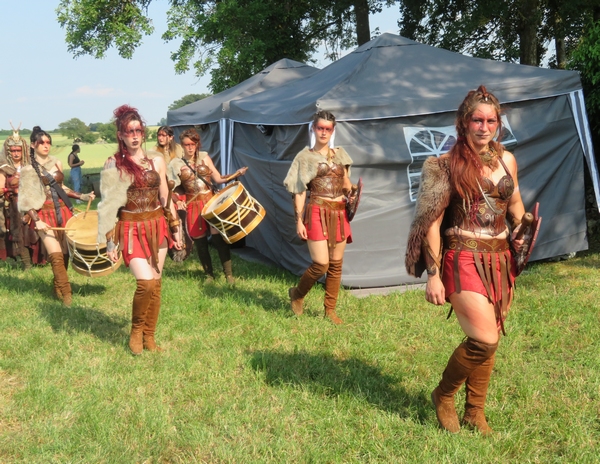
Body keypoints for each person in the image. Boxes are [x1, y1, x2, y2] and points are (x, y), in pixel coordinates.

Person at [405, 85, 526, 435]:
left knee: (491, 337)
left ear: (498, 123)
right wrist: (433, 274)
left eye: (491, 121)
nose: (484, 127)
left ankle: (475, 411)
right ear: (464, 122)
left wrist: (521, 229)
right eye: (477, 120)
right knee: (484, 339)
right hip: (462, 257)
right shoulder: (444, 165)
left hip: (500, 260)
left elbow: (515, 207)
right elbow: (432, 223)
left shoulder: (507, 160)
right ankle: (444, 395)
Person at [97, 105, 182, 355]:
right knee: (145, 283)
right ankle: (136, 331)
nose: (134, 135)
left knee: (156, 284)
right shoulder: (113, 163)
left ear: (143, 133)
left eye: (138, 130)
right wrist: (110, 242)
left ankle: (150, 336)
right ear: (121, 135)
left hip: (157, 226)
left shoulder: (157, 160)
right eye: (128, 131)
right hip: (130, 227)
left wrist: (175, 228)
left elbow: (165, 197)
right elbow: (108, 206)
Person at [283, 110, 358, 324]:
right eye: (320, 128)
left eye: (328, 129)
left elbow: (345, 185)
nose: (323, 132)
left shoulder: (340, 155)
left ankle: (330, 310)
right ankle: (297, 294)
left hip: (339, 212)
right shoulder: (304, 157)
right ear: (313, 129)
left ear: (332, 131)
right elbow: (298, 191)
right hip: (316, 209)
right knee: (321, 264)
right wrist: (299, 219)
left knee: (336, 264)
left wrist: (353, 192)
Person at [18, 127, 95, 306]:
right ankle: (67, 296)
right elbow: (26, 200)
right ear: (33, 145)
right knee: (55, 254)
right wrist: (37, 221)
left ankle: (57, 287)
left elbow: (62, 189)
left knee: (66, 253)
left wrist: (82, 196)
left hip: (63, 211)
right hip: (43, 214)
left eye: (48, 142)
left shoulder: (57, 163)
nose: (46, 145)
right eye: (42, 142)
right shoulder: (28, 169)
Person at [167, 128, 247, 284]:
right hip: (193, 205)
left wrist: (235, 174)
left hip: (210, 202)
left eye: (193, 144)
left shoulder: (204, 157)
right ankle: (209, 275)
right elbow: (170, 190)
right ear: (181, 145)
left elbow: (218, 179)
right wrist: (178, 201)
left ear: (197, 144)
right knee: (201, 242)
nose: (190, 147)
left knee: (219, 238)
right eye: (186, 144)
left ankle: (228, 275)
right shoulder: (175, 164)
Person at [0, 125, 37, 268]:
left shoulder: (30, 166)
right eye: (13, 150)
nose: (16, 153)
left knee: (31, 231)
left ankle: (35, 259)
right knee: (16, 233)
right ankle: (22, 261)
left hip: (31, 202)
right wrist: (8, 189)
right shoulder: (4, 168)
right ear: (9, 151)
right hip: (12, 204)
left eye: (18, 150)